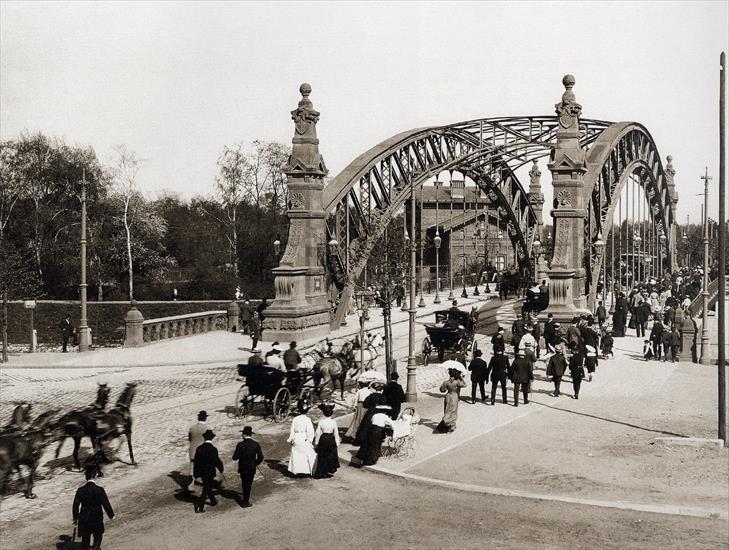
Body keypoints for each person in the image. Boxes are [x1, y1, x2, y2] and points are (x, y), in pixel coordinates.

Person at [72, 464, 114, 550]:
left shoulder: (81, 490)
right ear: (95, 476)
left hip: (84, 517)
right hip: (96, 517)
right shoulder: (99, 490)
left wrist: (75, 518)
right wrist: (111, 515)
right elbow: (106, 503)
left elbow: (75, 505)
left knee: (85, 540)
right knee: (98, 537)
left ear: (86, 477)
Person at [193, 429, 224, 513]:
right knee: (206, 488)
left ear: (204, 438)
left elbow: (196, 462)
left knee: (208, 486)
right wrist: (221, 469)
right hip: (210, 472)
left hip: (202, 472)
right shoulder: (213, 449)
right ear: (212, 439)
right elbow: (217, 461)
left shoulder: (199, 448)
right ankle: (200, 506)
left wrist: (196, 474)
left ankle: (213, 501)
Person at [232, 425, 263, 507]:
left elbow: (234, 457)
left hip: (242, 467)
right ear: (250, 434)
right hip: (251, 468)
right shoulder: (255, 444)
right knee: (249, 484)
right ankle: (246, 501)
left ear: (244, 435)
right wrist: (255, 463)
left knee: (244, 483)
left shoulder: (240, 445)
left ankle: (245, 501)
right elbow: (261, 457)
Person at [287, 406, 316, 476]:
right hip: (304, 437)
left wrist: (291, 439)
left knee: (296, 455)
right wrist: (310, 440)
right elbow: (310, 431)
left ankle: (296, 470)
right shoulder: (307, 420)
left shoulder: (295, 419)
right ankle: (306, 470)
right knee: (307, 454)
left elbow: (292, 430)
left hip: (296, 437)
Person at [314, 403, 341, 478]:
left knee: (322, 455)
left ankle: (321, 471)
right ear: (331, 414)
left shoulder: (321, 422)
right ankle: (328, 470)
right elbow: (336, 433)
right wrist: (337, 442)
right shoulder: (333, 422)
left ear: (324, 413)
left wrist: (316, 442)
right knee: (330, 455)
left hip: (323, 439)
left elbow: (318, 433)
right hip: (331, 439)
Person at [187, 410, 208, 487]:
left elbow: (190, 439)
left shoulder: (192, 428)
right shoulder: (207, 429)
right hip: (203, 452)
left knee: (192, 468)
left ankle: (191, 485)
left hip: (193, 451)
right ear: (205, 418)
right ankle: (205, 482)